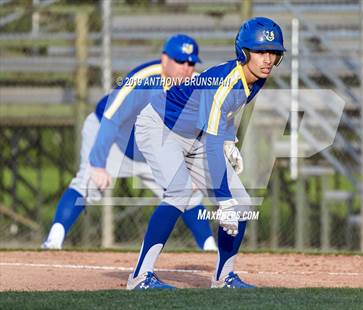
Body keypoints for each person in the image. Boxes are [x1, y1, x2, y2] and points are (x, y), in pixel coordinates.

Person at [127, 17, 286, 289]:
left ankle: (224, 278)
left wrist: (229, 141)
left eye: (273, 52)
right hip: (161, 128)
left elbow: (223, 115)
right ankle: (140, 277)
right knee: (179, 192)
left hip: (197, 136)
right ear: (244, 52)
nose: (268, 59)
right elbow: (212, 138)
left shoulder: (256, 78)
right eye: (260, 52)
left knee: (243, 205)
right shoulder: (226, 80)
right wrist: (222, 201)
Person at [42, 34, 217, 251]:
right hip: (114, 139)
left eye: (191, 62)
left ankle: (210, 249)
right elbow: (111, 118)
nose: (186, 67)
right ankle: (53, 240)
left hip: (151, 151)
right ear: (165, 60)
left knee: (187, 194)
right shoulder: (144, 79)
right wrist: (97, 164)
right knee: (87, 183)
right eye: (180, 61)